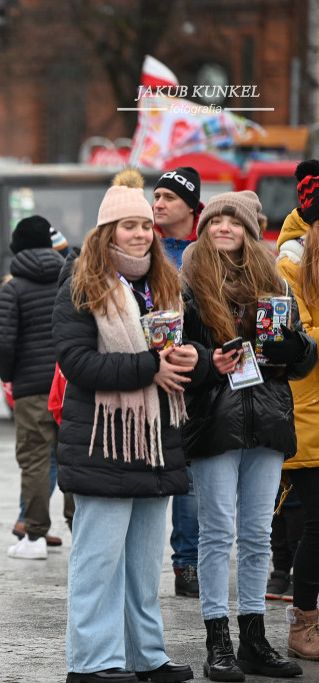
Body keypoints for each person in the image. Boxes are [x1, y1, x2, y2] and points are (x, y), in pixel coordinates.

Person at [53, 169, 196, 683]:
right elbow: (77, 364)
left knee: (143, 564)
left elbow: (191, 351)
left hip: (156, 440)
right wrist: (150, 367)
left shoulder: (166, 284)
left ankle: (146, 656)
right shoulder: (81, 284)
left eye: (145, 225)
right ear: (107, 232)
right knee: (99, 562)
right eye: (128, 225)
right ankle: (92, 662)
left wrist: (195, 360)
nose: (139, 233)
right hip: (103, 441)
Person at [181, 189, 316, 680]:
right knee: (218, 532)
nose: (225, 228)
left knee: (258, 534)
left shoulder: (273, 280)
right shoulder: (186, 283)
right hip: (215, 419)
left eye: (235, 222)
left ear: (249, 231)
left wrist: (293, 348)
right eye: (217, 220)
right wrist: (209, 362)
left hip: (269, 417)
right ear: (205, 229)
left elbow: (303, 357)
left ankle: (254, 640)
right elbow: (174, 351)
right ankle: (217, 641)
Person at [0, 215, 65, 560]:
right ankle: (83, 528)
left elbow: (2, 342)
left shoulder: (13, 288)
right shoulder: (71, 282)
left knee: (35, 459)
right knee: (74, 458)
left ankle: (34, 536)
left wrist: (9, 376)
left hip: (31, 389)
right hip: (71, 384)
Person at [152, 165, 204, 599]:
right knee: (148, 473)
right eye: (156, 196)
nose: (158, 203)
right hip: (146, 376)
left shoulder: (207, 252)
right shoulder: (144, 245)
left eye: (168, 197)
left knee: (189, 477)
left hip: (195, 379)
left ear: (190, 206)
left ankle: (187, 564)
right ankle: (140, 561)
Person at [274, 161, 319, 660]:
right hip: (307, 412)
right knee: (316, 524)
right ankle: (303, 622)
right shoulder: (290, 265)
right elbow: (297, 340)